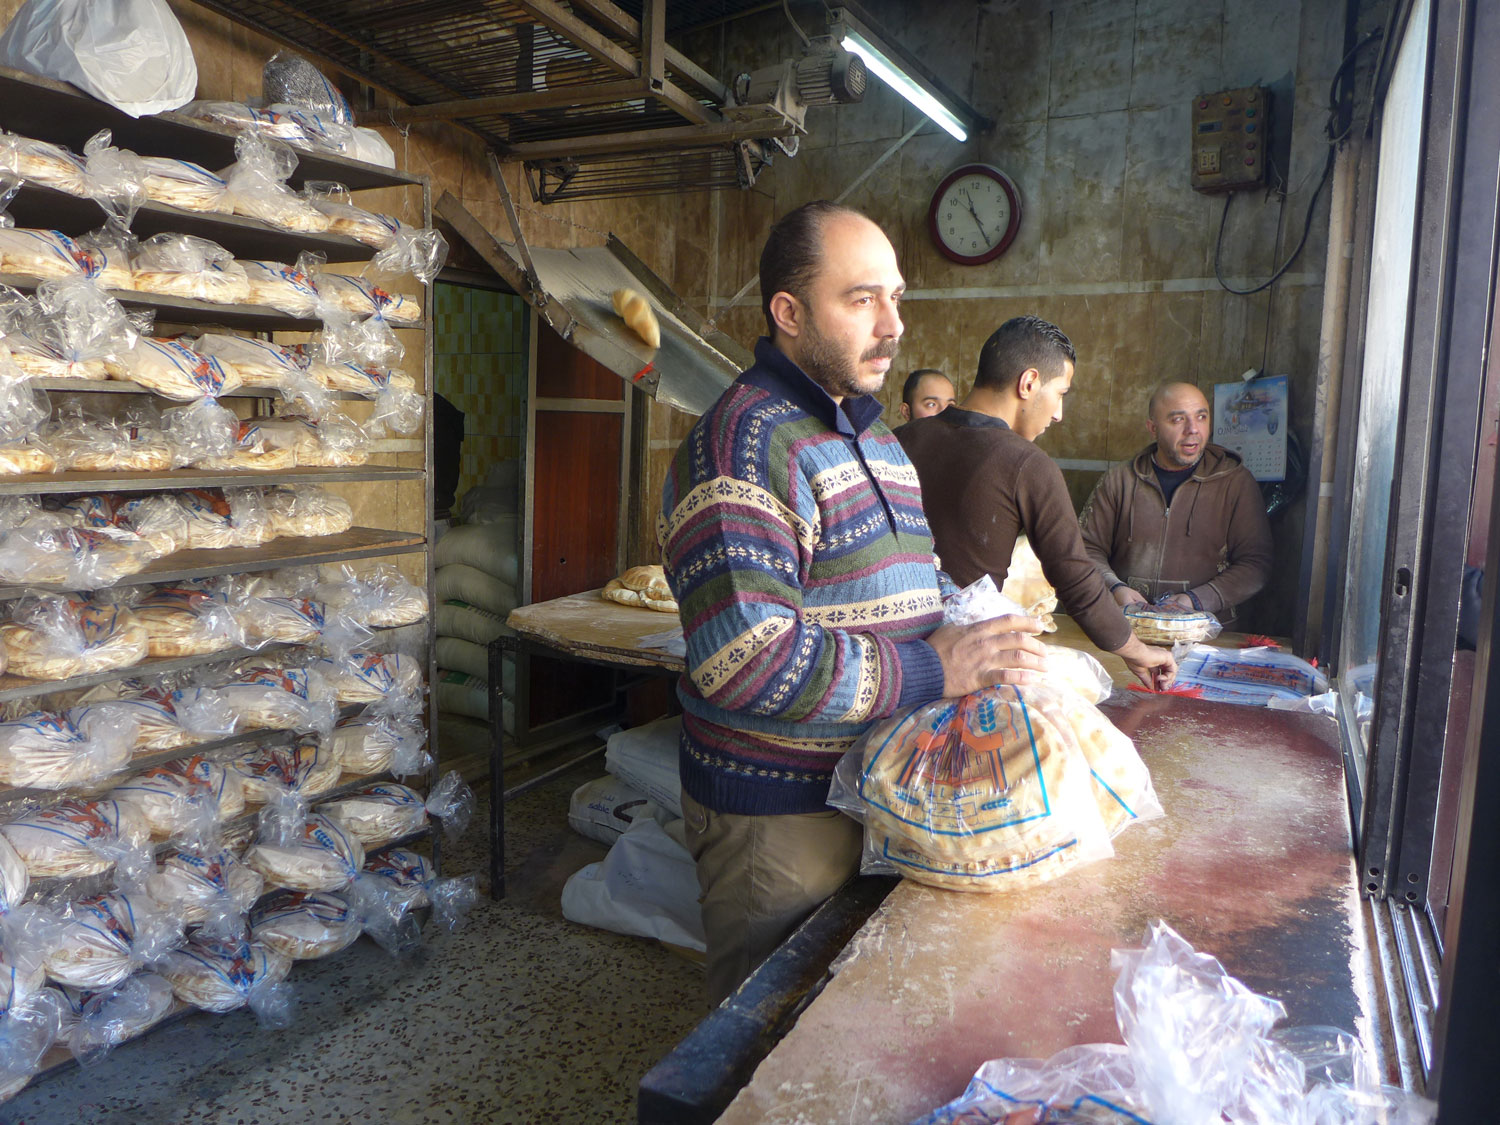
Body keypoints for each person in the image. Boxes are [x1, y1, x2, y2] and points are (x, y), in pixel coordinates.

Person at [659, 201, 1048, 1006]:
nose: (892, 324)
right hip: (780, 819)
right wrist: (931, 669)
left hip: (870, 788)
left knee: (830, 1019)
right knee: (758, 1045)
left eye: (896, 298)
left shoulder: (872, 438)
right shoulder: (744, 442)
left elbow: (915, 576)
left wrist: (976, 633)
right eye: (862, 298)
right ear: (790, 313)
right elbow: (748, 661)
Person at [897, 315, 1176, 689]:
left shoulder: (896, 440)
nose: (1059, 414)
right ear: (1028, 383)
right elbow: (1075, 578)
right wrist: (1139, 651)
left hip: (894, 661)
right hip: (964, 668)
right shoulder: (1027, 464)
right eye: (1060, 393)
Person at [1079, 381, 1273, 623]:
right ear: (1153, 428)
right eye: (1178, 420)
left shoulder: (1235, 483)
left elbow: (1256, 564)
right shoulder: (1120, 481)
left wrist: (1196, 600)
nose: (1193, 429)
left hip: (1206, 633)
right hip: (1126, 628)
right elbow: (1085, 549)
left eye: (1201, 417)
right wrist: (1114, 588)